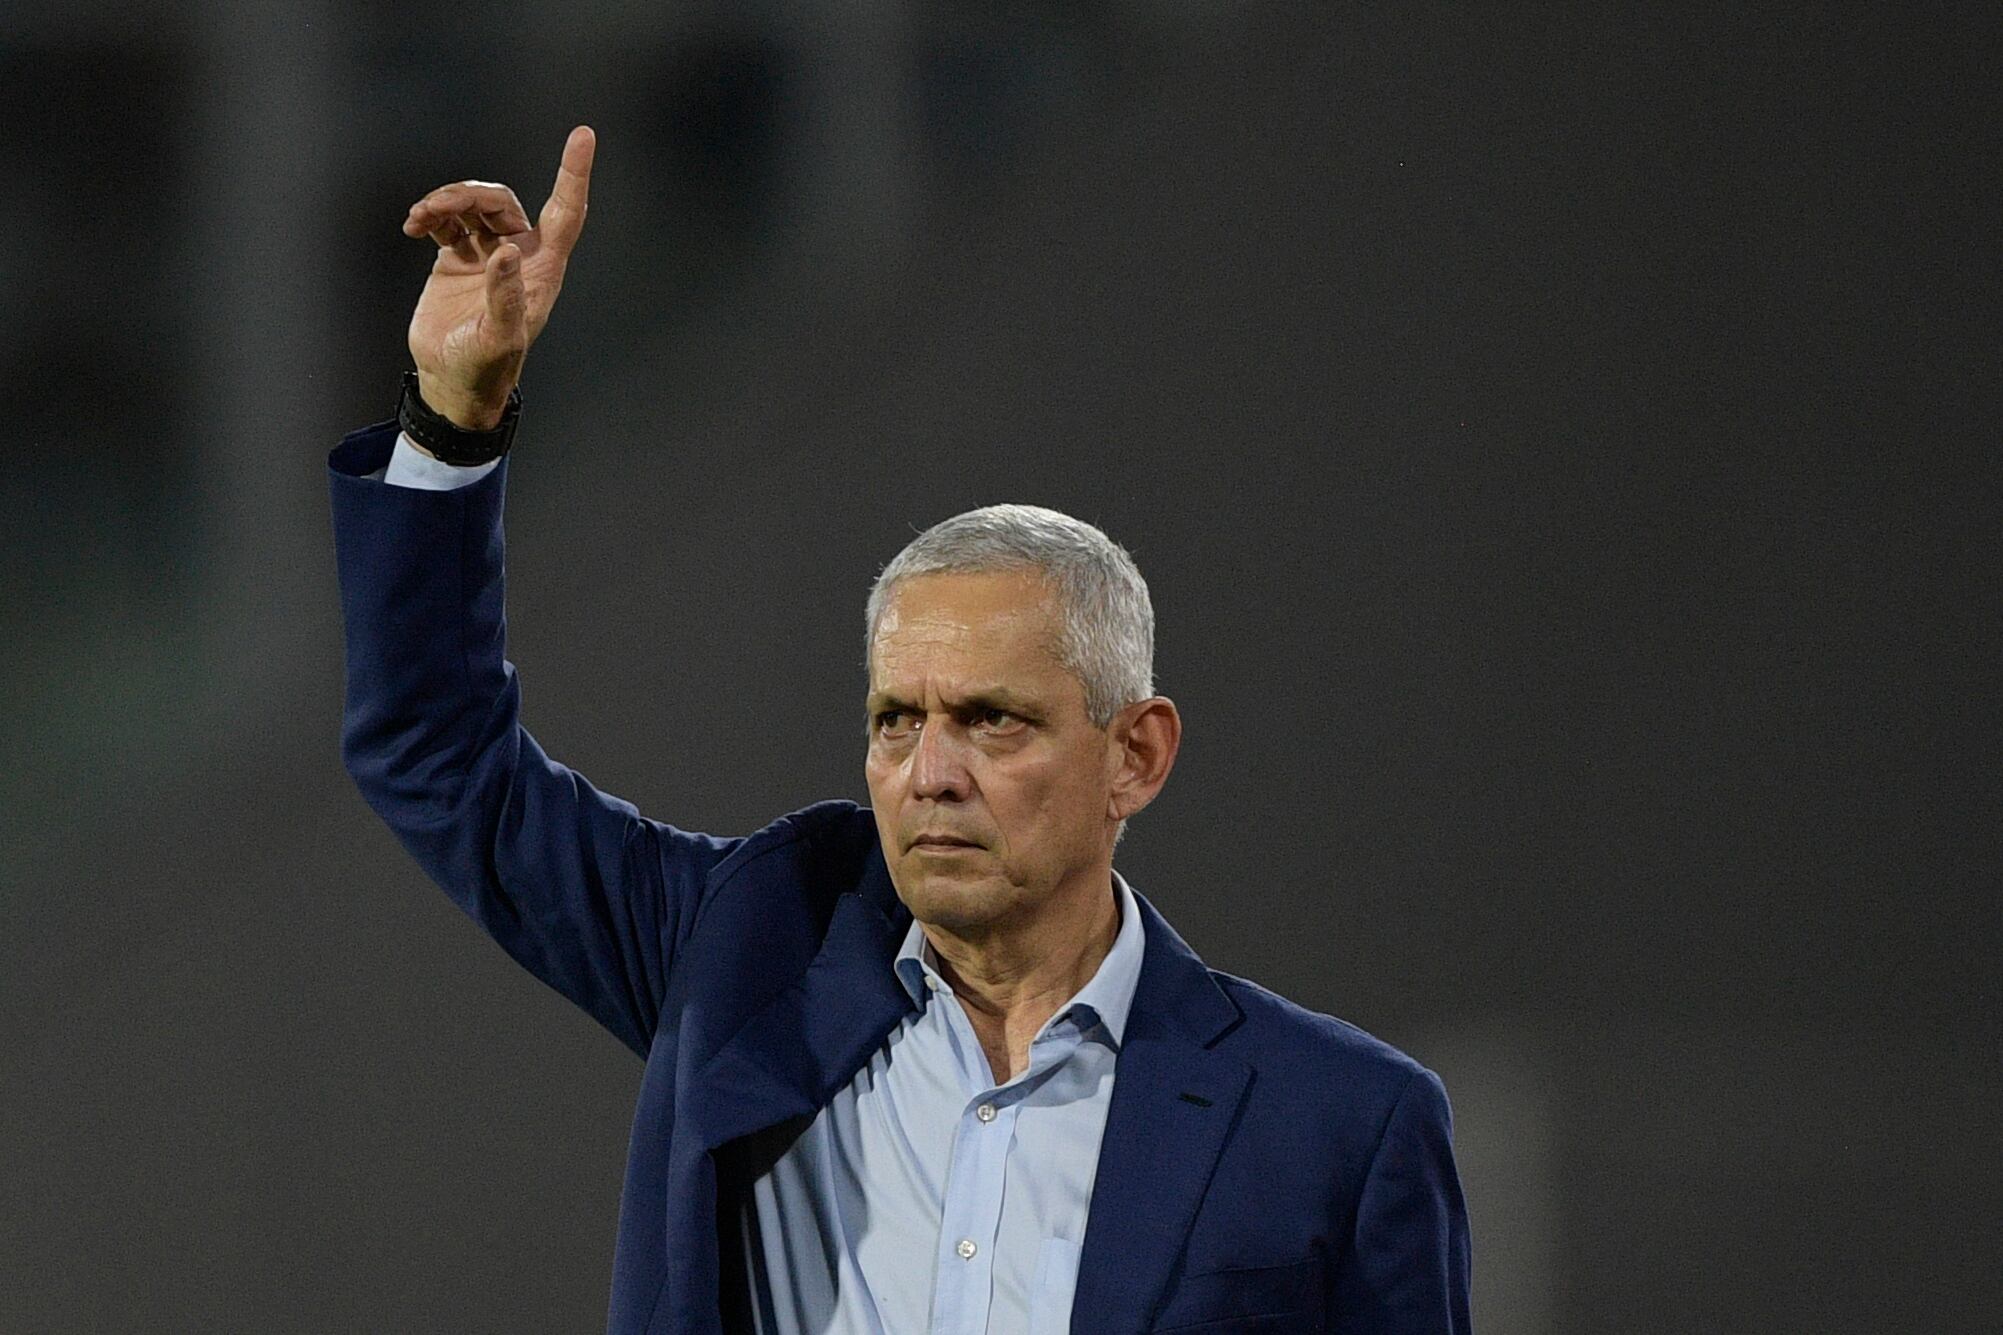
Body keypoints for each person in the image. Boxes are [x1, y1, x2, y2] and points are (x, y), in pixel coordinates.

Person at [330, 126, 1472, 1335]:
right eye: (893, 722)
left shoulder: (1336, 1125)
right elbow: (435, 750)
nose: (929, 775)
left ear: (1132, 754)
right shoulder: (748, 958)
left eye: (990, 722)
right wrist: (454, 418)